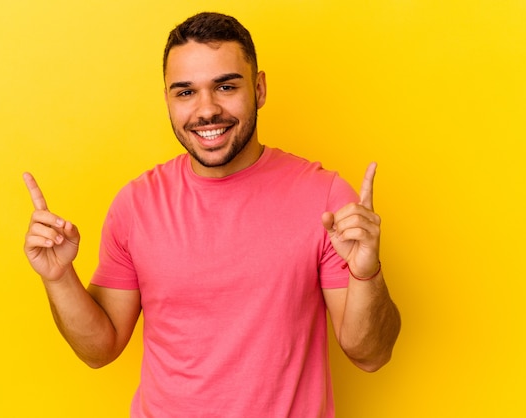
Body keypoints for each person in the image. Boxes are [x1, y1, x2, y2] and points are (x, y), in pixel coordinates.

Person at [23, 12, 401, 418]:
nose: (206, 110)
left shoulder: (325, 199)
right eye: (185, 92)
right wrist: (59, 277)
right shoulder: (135, 205)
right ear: (167, 98)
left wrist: (367, 272)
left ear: (259, 89)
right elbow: (100, 349)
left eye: (225, 86)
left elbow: (370, 354)